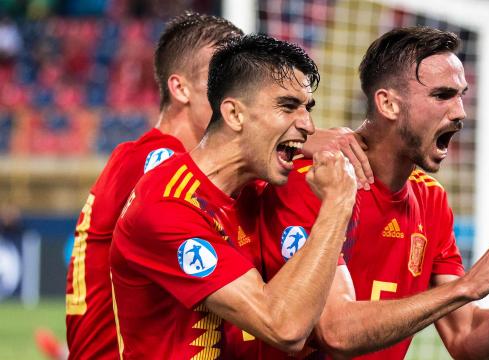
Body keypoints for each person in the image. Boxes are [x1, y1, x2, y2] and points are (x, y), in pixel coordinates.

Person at [243, 26, 489, 359]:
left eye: (461, 95)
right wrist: (467, 286)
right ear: (388, 104)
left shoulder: (431, 199)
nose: (460, 113)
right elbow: (336, 332)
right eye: (442, 96)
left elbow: (464, 336)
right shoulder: (313, 181)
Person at [110, 34, 358, 359]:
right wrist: (337, 204)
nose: (309, 125)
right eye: (288, 106)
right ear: (235, 114)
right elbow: (284, 328)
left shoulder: (254, 192)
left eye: (307, 108)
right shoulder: (166, 205)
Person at [64, 12, 245, 359]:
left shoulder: (140, 158)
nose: (235, 95)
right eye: (221, 78)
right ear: (180, 88)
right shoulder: (160, 161)